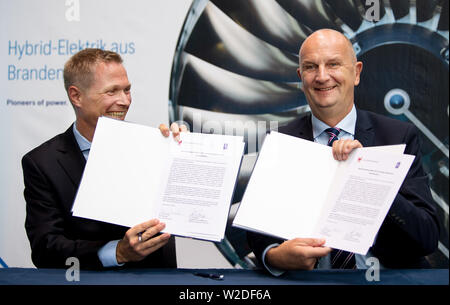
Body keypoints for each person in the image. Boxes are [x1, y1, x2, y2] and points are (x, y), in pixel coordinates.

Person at [247, 29, 440, 273]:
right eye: (310, 67)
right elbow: (258, 231)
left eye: (333, 64)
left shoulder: (398, 137)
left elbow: (427, 236)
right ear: (301, 76)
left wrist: (371, 175)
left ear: (356, 72)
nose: (322, 76)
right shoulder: (280, 141)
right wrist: (274, 256)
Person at [22, 48, 186, 269]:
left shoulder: (153, 147)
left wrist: (183, 154)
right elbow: (45, 249)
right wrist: (117, 252)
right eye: (112, 92)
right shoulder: (42, 163)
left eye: (127, 90)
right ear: (76, 96)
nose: (125, 101)